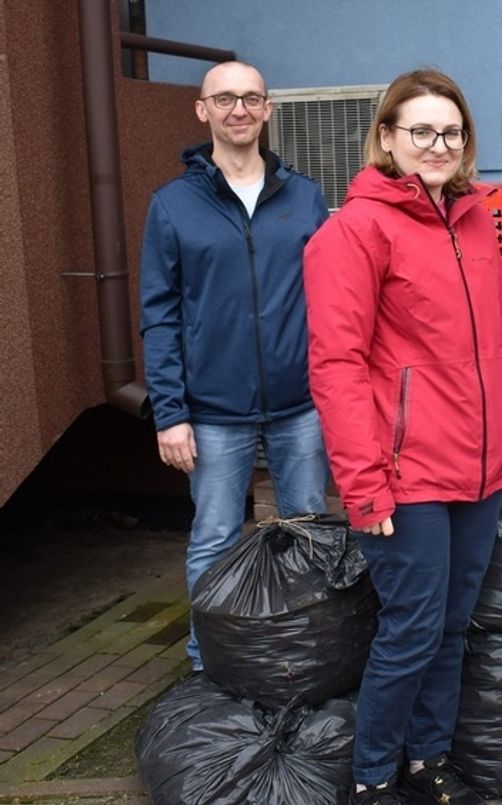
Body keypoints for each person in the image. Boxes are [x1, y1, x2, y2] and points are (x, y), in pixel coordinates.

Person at [302, 68, 502, 805]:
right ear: (387, 137)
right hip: (402, 473)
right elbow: (337, 366)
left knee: (451, 628)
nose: (438, 144)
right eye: (421, 130)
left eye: (451, 131)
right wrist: (363, 482)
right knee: (412, 630)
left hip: (479, 470)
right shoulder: (353, 231)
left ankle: (428, 762)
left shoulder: (475, 218)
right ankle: (374, 774)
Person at [139, 61, 330, 673]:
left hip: (301, 403)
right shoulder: (172, 206)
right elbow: (160, 315)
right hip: (213, 411)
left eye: (251, 98)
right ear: (203, 110)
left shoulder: (304, 196)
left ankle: (306, 651)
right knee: (215, 541)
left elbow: (333, 298)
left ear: (267, 109)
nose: (239, 109)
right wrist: (170, 414)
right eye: (225, 99)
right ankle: (210, 661)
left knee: (308, 533)